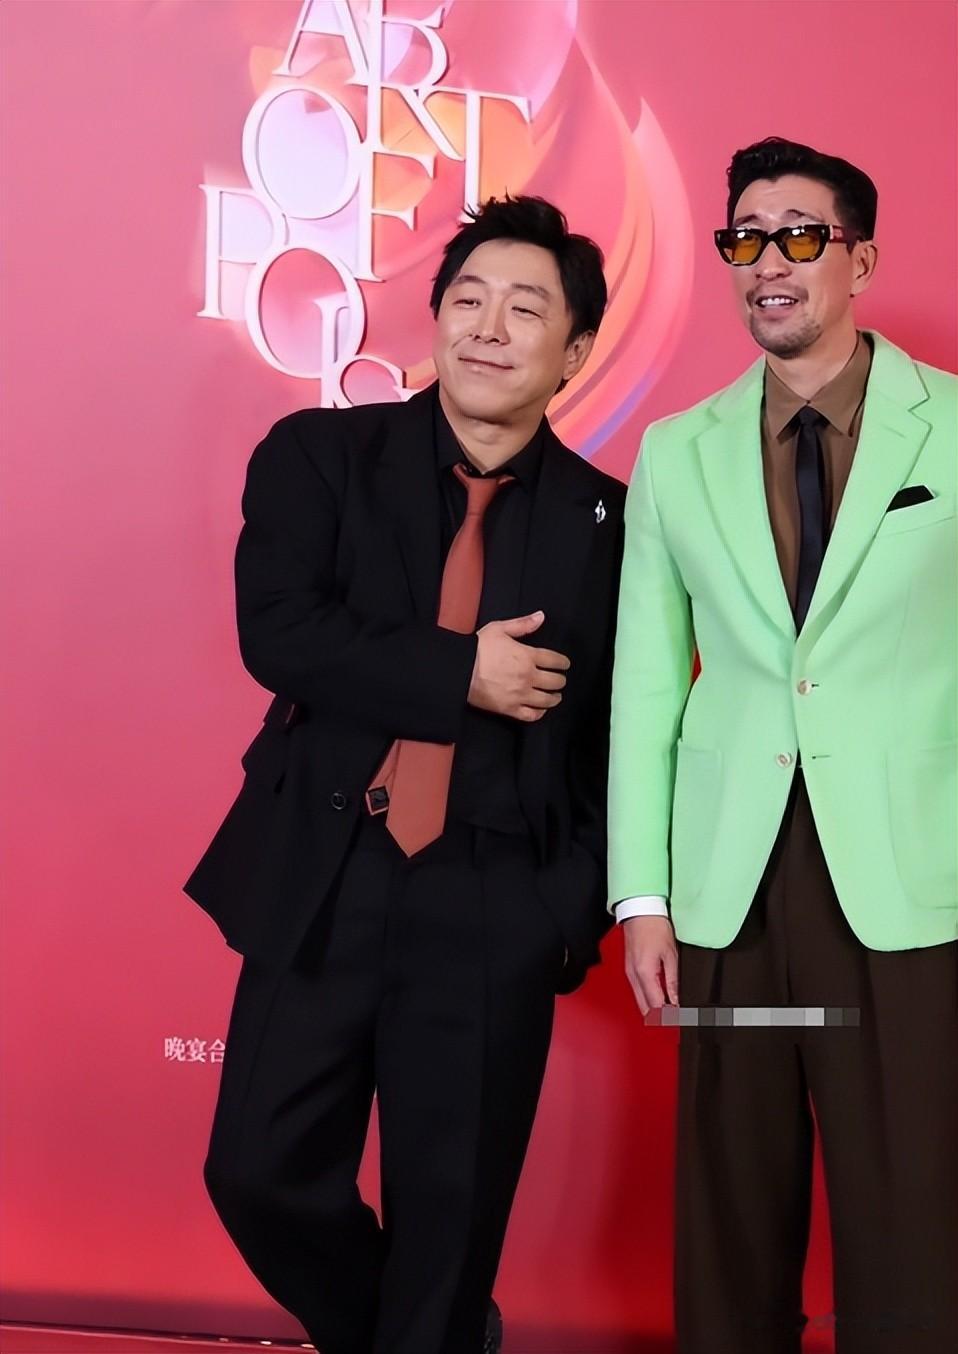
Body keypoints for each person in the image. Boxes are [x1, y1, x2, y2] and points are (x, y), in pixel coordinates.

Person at [185, 195, 624, 1354]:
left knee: (452, 1221)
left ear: (575, 350)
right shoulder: (321, 455)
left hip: (493, 896)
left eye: (525, 308)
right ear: (434, 318)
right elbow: (281, 631)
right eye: (467, 299)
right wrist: (461, 672)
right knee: (258, 1172)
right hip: (328, 875)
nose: (488, 326)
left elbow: (620, 735)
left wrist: (562, 906)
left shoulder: (611, 525)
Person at [608, 137, 957, 1354]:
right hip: (729, 887)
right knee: (731, 1197)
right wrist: (642, 895)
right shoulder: (675, 451)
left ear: (861, 258)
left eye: (800, 235)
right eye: (745, 237)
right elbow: (645, 685)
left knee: (910, 1202)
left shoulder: (951, 426)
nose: (769, 260)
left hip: (910, 878)